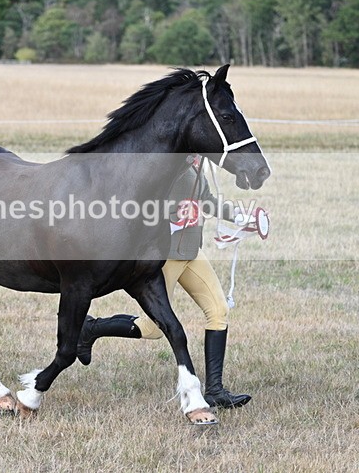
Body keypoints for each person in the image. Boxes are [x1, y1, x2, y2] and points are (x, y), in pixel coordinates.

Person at [77, 154, 253, 409]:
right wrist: (174, 217)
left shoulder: (194, 166)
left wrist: (239, 217)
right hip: (166, 257)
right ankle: (92, 329)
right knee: (154, 328)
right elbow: (147, 210)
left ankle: (215, 390)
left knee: (218, 311)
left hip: (191, 252)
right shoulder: (167, 169)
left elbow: (206, 201)